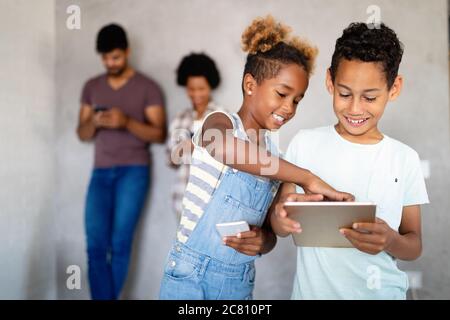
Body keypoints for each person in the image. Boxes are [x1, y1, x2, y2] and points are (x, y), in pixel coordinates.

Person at [159, 15, 353, 300]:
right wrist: (307, 178)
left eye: (297, 100)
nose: (289, 108)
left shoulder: (277, 157)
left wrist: (263, 241)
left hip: (238, 282)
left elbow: (272, 230)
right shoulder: (220, 123)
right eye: (282, 94)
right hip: (189, 276)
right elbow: (222, 147)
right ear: (250, 85)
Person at [270, 22, 429, 299]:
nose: (355, 108)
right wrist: (280, 219)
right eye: (344, 94)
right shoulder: (304, 144)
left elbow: (414, 244)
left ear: (394, 88)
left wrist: (390, 240)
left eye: (370, 97)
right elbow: (279, 220)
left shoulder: (405, 159)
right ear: (330, 81)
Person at [76, 23, 166, 300]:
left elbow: (159, 133)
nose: (109, 63)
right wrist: (94, 121)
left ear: (127, 51)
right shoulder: (91, 87)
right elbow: (82, 134)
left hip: (134, 172)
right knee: (95, 246)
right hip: (100, 172)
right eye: (104, 58)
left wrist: (125, 121)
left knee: (120, 242)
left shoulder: (148, 87)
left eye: (115, 56)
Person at [166, 53, 225, 222]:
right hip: (182, 201)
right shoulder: (180, 118)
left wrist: (200, 147)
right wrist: (179, 150)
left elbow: (230, 160)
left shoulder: (222, 116)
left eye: (201, 89)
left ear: (211, 86)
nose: (196, 94)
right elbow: (170, 161)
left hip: (211, 202)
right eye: (191, 89)